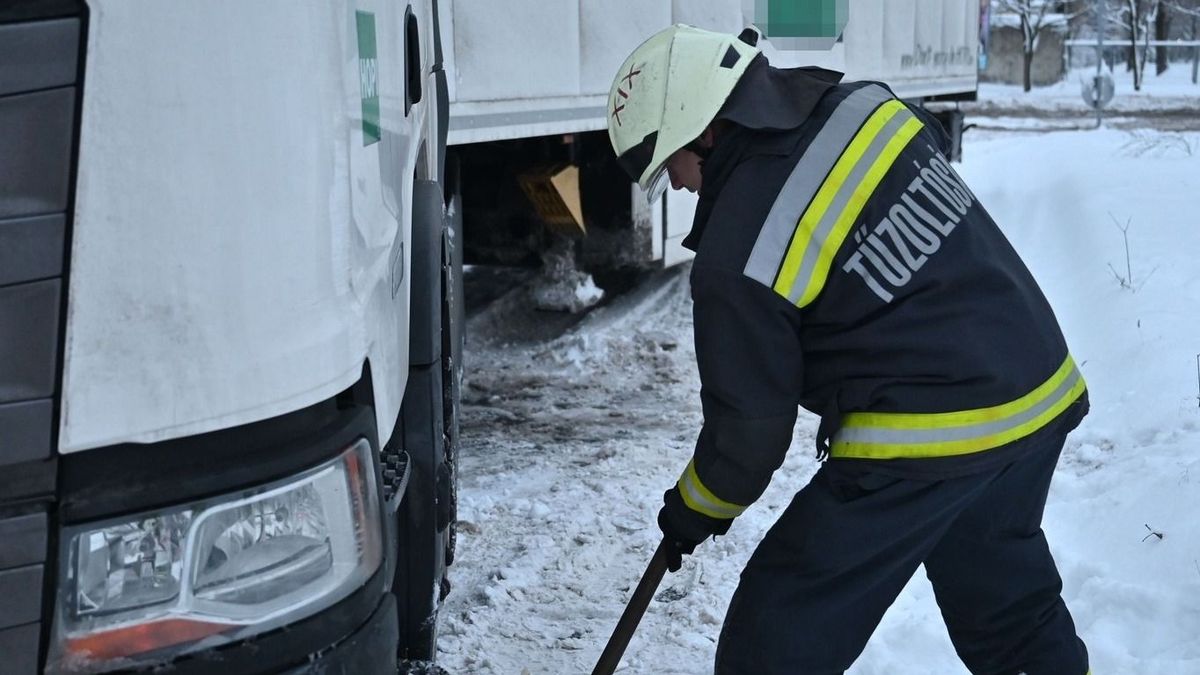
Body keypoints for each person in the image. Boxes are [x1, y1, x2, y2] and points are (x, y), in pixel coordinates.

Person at [606, 25, 1092, 675]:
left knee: (777, 632)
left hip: (931, 428)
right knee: (1007, 609)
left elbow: (749, 434)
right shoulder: (864, 104)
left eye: (671, 163)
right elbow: (926, 140)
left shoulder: (737, 251)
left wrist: (693, 508)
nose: (680, 183)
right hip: (1037, 382)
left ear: (705, 130)